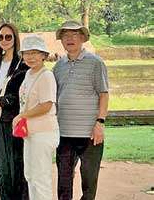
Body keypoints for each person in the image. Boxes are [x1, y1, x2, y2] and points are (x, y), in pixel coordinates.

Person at [53, 21, 109, 200]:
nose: (69, 39)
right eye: (65, 35)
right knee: (63, 183)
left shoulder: (96, 63)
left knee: (89, 182)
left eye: (74, 35)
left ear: (83, 38)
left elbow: (103, 94)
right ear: (61, 40)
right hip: (64, 133)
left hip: (90, 133)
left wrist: (100, 123)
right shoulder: (58, 66)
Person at [14, 34, 59, 200]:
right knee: (31, 176)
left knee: (41, 178)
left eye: (35, 52)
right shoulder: (28, 74)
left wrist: (21, 116)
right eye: (27, 53)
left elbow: (46, 105)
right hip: (30, 133)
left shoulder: (46, 76)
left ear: (43, 55)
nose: (30, 57)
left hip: (43, 133)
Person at [0, 23, 29, 200]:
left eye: (8, 37)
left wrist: (4, 101)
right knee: (3, 164)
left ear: (15, 39)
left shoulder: (23, 63)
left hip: (17, 118)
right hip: (0, 119)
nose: (4, 40)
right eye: (1, 37)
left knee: (18, 165)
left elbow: (23, 92)